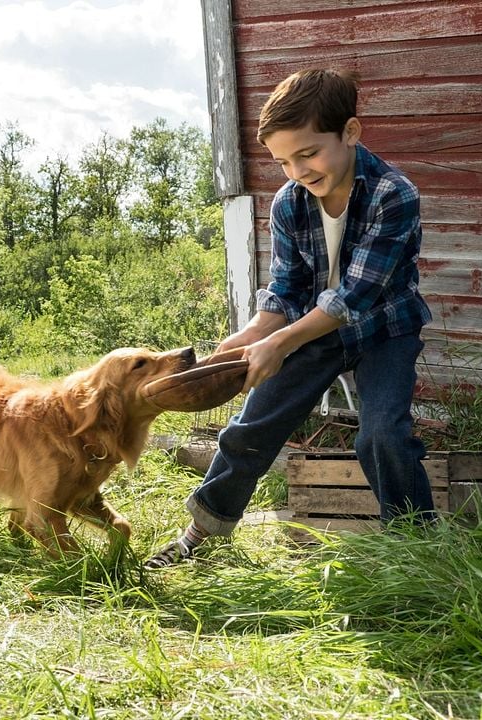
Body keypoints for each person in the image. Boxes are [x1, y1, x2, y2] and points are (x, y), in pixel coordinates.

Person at [145, 68, 435, 569]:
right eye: (283, 161)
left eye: (308, 153)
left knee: (383, 434)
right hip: (315, 330)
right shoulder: (288, 203)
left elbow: (354, 297)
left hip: (385, 328)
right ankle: (203, 533)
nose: (298, 170)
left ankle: (416, 548)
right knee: (249, 428)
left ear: (350, 132)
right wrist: (243, 344)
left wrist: (278, 345)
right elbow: (284, 293)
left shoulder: (393, 194)